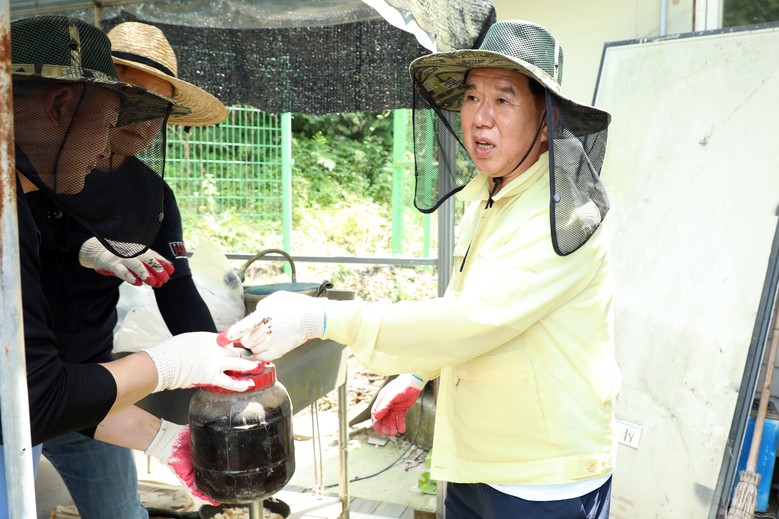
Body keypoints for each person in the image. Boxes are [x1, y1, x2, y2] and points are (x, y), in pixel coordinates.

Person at [224, 20, 620, 518]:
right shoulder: (492, 196)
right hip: (479, 460)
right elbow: (464, 304)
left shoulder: (561, 218)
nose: (481, 118)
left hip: (543, 476)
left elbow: (474, 319)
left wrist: (320, 318)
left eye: (503, 99)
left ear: (546, 123)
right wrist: (418, 372)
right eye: (472, 97)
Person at [2, 15, 259, 518]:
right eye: (119, 108)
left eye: (153, 110)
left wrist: (217, 359)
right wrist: (170, 364)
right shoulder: (26, 185)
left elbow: (179, 291)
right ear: (65, 103)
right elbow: (35, 393)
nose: (135, 125)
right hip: (37, 395)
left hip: (92, 391)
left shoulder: (149, 197)